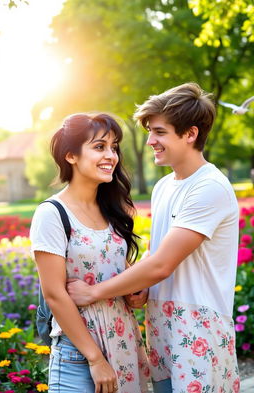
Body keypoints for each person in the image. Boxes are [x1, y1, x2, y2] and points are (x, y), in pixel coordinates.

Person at [66, 83, 240, 393]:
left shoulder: (209, 187)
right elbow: (157, 253)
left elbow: (162, 265)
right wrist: (142, 285)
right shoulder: (164, 187)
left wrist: (94, 292)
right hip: (162, 326)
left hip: (199, 328)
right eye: (150, 131)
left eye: (159, 132)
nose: (150, 141)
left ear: (190, 134)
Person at [30, 113, 150, 393]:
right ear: (71, 155)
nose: (111, 155)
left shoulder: (112, 210)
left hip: (124, 343)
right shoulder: (52, 214)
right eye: (99, 147)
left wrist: (137, 291)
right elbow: (55, 294)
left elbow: (119, 269)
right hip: (80, 355)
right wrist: (95, 359)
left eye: (114, 147)